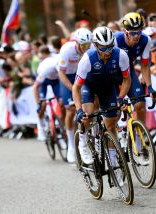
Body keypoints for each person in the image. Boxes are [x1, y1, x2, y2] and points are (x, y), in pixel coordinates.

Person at [72, 26, 131, 165]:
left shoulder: (121, 55)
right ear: (96, 45)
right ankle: (82, 141)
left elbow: (127, 79)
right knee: (88, 115)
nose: (107, 51)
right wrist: (79, 109)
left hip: (107, 87)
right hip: (89, 86)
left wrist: (121, 97)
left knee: (111, 126)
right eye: (103, 48)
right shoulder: (87, 59)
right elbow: (76, 87)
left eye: (110, 47)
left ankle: (113, 163)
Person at [114, 12, 156, 125]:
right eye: (133, 33)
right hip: (111, 74)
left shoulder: (145, 40)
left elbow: (145, 65)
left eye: (139, 31)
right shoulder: (116, 40)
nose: (137, 35)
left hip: (128, 72)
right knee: (114, 113)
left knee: (140, 105)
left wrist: (150, 87)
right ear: (125, 31)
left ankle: (139, 138)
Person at [58, 28, 92, 163]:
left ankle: (88, 137)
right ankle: (71, 147)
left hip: (81, 75)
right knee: (71, 110)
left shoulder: (90, 48)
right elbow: (61, 73)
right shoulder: (67, 50)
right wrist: (72, 88)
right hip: (67, 76)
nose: (86, 48)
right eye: (83, 45)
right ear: (76, 43)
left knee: (89, 105)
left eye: (88, 45)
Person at [33, 46, 62, 142]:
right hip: (44, 80)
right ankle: (41, 127)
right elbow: (35, 87)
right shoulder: (46, 69)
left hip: (56, 80)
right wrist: (39, 103)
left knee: (61, 101)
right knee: (43, 105)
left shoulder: (59, 61)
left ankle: (60, 127)